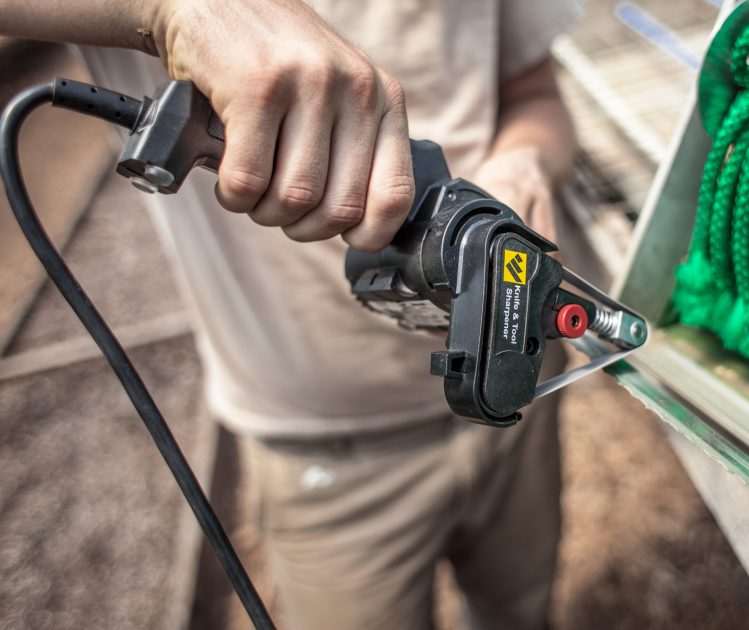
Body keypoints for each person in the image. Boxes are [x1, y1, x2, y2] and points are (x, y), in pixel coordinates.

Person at [2, 0, 581, 627]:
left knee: (521, 611)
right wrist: (171, 11)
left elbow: (535, 94)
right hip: (324, 453)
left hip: (519, 385)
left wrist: (523, 160)